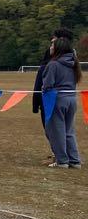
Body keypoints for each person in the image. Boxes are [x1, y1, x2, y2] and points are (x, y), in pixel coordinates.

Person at [42, 36, 82, 168]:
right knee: (69, 131)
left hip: (57, 100)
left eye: (52, 45)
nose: (50, 47)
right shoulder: (73, 63)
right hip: (72, 99)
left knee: (56, 131)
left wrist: (44, 88)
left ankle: (62, 161)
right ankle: (74, 160)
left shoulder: (53, 64)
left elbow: (48, 84)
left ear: (58, 49)